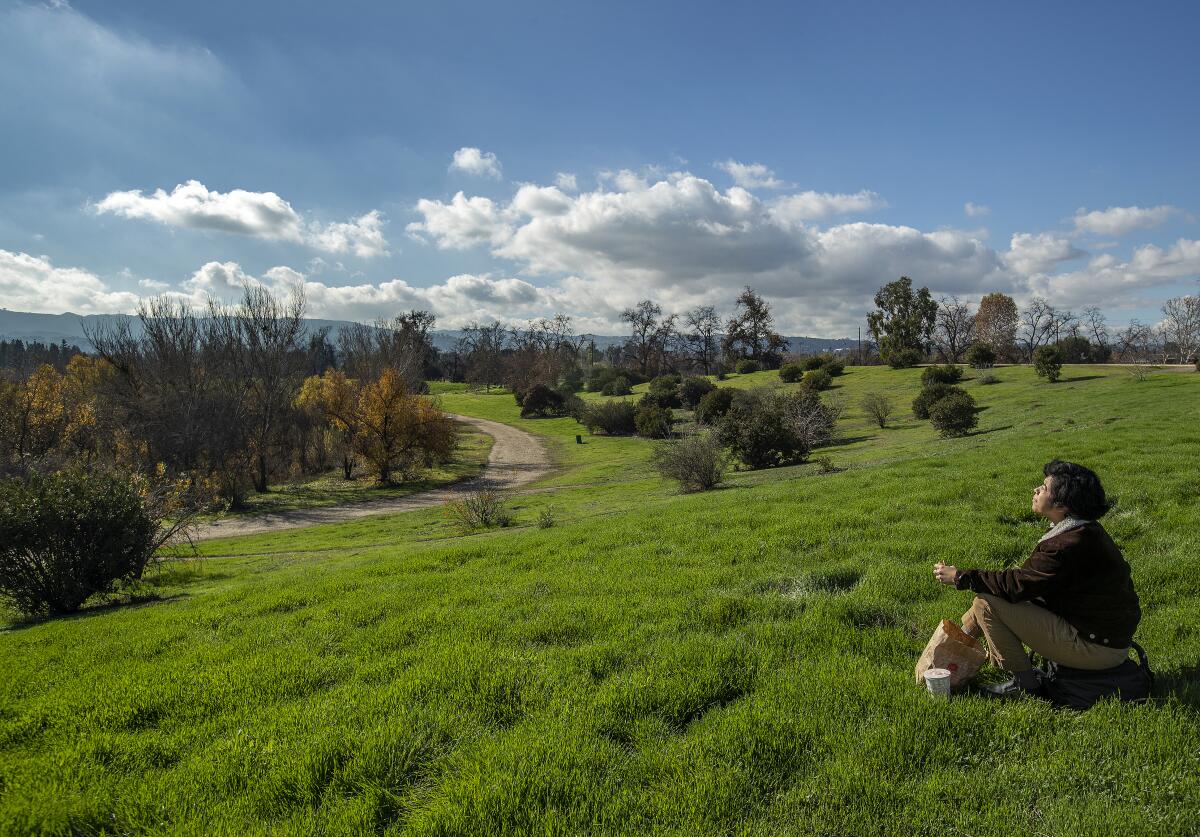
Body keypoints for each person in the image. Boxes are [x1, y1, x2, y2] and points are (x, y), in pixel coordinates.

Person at [933, 460, 1141, 699]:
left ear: (1062, 505)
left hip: (1095, 648)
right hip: (1108, 641)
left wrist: (961, 577)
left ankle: (1025, 685)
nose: (1036, 490)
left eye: (1043, 488)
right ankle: (954, 651)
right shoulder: (1083, 531)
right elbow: (1027, 585)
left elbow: (1017, 586)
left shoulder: (1066, 545)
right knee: (991, 595)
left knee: (986, 603)